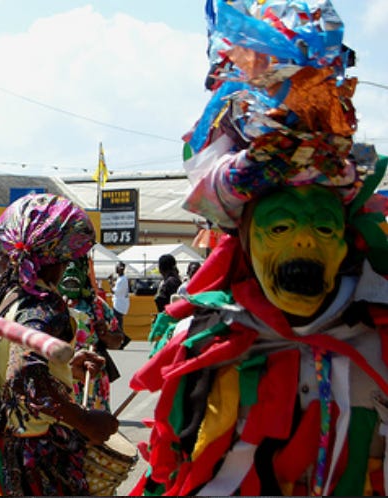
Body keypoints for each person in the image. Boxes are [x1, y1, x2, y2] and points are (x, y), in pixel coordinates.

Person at [131, 1, 388, 495]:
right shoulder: (203, 344)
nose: (304, 242)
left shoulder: (380, 339)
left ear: (345, 241)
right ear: (245, 241)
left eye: (323, 228)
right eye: (281, 227)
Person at [0, 193, 119, 496]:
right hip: (35, 457)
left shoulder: (7, 298)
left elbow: (11, 361)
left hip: (0, 449)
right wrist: (85, 421)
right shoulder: (43, 306)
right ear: (57, 257)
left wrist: (66, 366)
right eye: (68, 258)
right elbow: (24, 377)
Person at [58, 254, 125, 410]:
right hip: (62, 379)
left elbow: (118, 340)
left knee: (94, 422)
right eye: (67, 264)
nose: (72, 270)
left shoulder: (97, 306)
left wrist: (106, 336)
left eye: (77, 265)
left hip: (93, 382)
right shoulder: (48, 304)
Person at [109, 261, 130, 333]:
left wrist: (110, 282)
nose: (115, 268)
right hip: (121, 304)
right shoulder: (122, 278)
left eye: (117, 267)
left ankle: (121, 337)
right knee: (118, 324)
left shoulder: (122, 280)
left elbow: (113, 291)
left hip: (119, 306)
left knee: (117, 325)